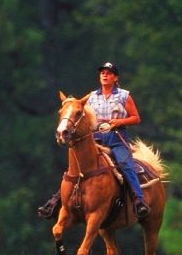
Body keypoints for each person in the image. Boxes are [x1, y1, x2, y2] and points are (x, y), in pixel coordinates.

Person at [38, 61, 151, 219]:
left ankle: (138, 201)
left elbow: (136, 118)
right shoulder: (91, 97)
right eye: (102, 73)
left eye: (109, 73)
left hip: (116, 139)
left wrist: (118, 122)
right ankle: (55, 201)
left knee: (125, 164)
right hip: (96, 138)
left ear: (115, 78)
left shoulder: (124, 95)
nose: (105, 75)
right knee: (76, 166)